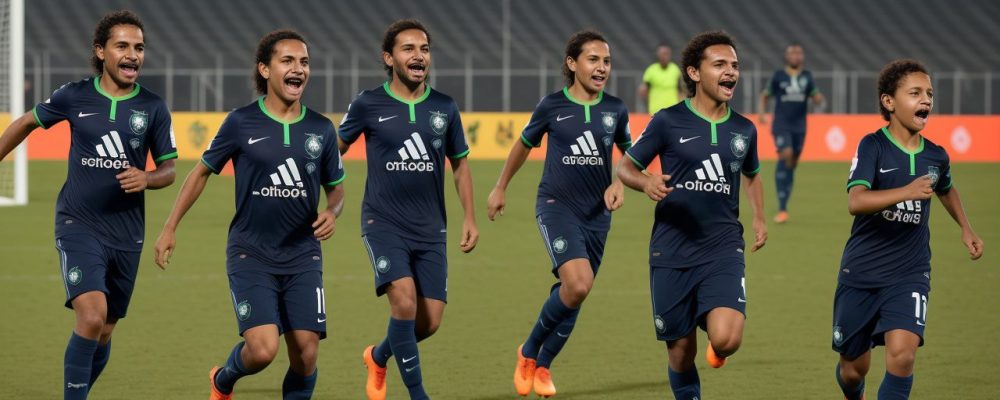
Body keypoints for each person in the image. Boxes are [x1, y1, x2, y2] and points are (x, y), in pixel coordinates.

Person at [152, 30, 346, 400]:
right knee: (262, 350)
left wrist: (332, 211)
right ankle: (223, 380)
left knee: (306, 354)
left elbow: (336, 188)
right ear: (264, 69)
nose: (298, 69)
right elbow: (201, 173)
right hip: (251, 253)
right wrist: (169, 227)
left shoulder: (321, 129)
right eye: (287, 61)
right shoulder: (241, 123)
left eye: (304, 62)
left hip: (303, 254)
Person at [0, 10, 176, 399]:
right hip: (78, 223)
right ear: (101, 51)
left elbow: (169, 170)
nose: (133, 55)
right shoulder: (74, 95)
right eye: (123, 46)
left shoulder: (153, 108)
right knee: (92, 316)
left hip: (127, 233)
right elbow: (26, 122)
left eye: (139, 47)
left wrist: (147, 178)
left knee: (105, 329)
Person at [616, 31, 766, 400]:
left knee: (727, 339)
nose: (731, 72)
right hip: (671, 248)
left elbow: (752, 174)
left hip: (722, 246)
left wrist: (760, 217)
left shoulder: (744, 129)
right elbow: (626, 168)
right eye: (720, 65)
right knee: (681, 352)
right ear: (695, 73)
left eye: (734, 66)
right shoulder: (668, 121)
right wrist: (646, 182)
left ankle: (715, 334)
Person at [338, 19, 478, 400]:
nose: (419, 56)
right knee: (403, 298)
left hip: (431, 227)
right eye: (409, 49)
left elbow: (460, 164)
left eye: (425, 49)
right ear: (389, 57)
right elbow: (335, 146)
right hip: (382, 222)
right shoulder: (368, 103)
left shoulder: (444, 107)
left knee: (429, 321)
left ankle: (378, 356)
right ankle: (419, 394)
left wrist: (469, 216)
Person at [487, 30, 631, 398]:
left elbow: (631, 159)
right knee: (579, 283)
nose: (602, 67)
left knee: (575, 292)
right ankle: (530, 351)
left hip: (598, 215)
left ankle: (544, 365)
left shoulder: (615, 109)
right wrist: (501, 186)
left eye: (607, 61)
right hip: (556, 206)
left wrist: (620, 183)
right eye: (593, 59)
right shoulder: (552, 106)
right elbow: (523, 145)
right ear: (572, 63)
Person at [832, 59, 984, 400]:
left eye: (929, 93)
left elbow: (945, 188)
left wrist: (966, 228)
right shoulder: (872, 146)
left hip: (910, 271)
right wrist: (907, 191)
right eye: (914, 93)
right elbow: (856, 201)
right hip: (861, 270)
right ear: (889, 102)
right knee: (853, 369)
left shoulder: (936, 156)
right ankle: (852, 390)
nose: (925, 100)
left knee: (903, 356)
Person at [757, 43, 823, 223]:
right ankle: (782, 208)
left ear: (802, 57)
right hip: (781, 124)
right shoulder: (778, 76)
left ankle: (784, 200)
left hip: (800, 126)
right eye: (792, 53)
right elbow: (765, 95)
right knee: (785, 155)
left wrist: (818, 99)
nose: (795, 55)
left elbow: (816, 96)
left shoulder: (807, 77)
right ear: (786, 57)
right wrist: (761, 113)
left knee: (792, 163)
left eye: (798, 53)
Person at [639, 43, 684, 114]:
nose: (664, 56)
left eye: (666, 54)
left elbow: (680, 91)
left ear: (670, 55)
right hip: (655, 111)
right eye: (662, 54)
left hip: (672, 110)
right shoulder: (651, 70)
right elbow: (643, 90)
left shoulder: (675, 69)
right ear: (658, 55)